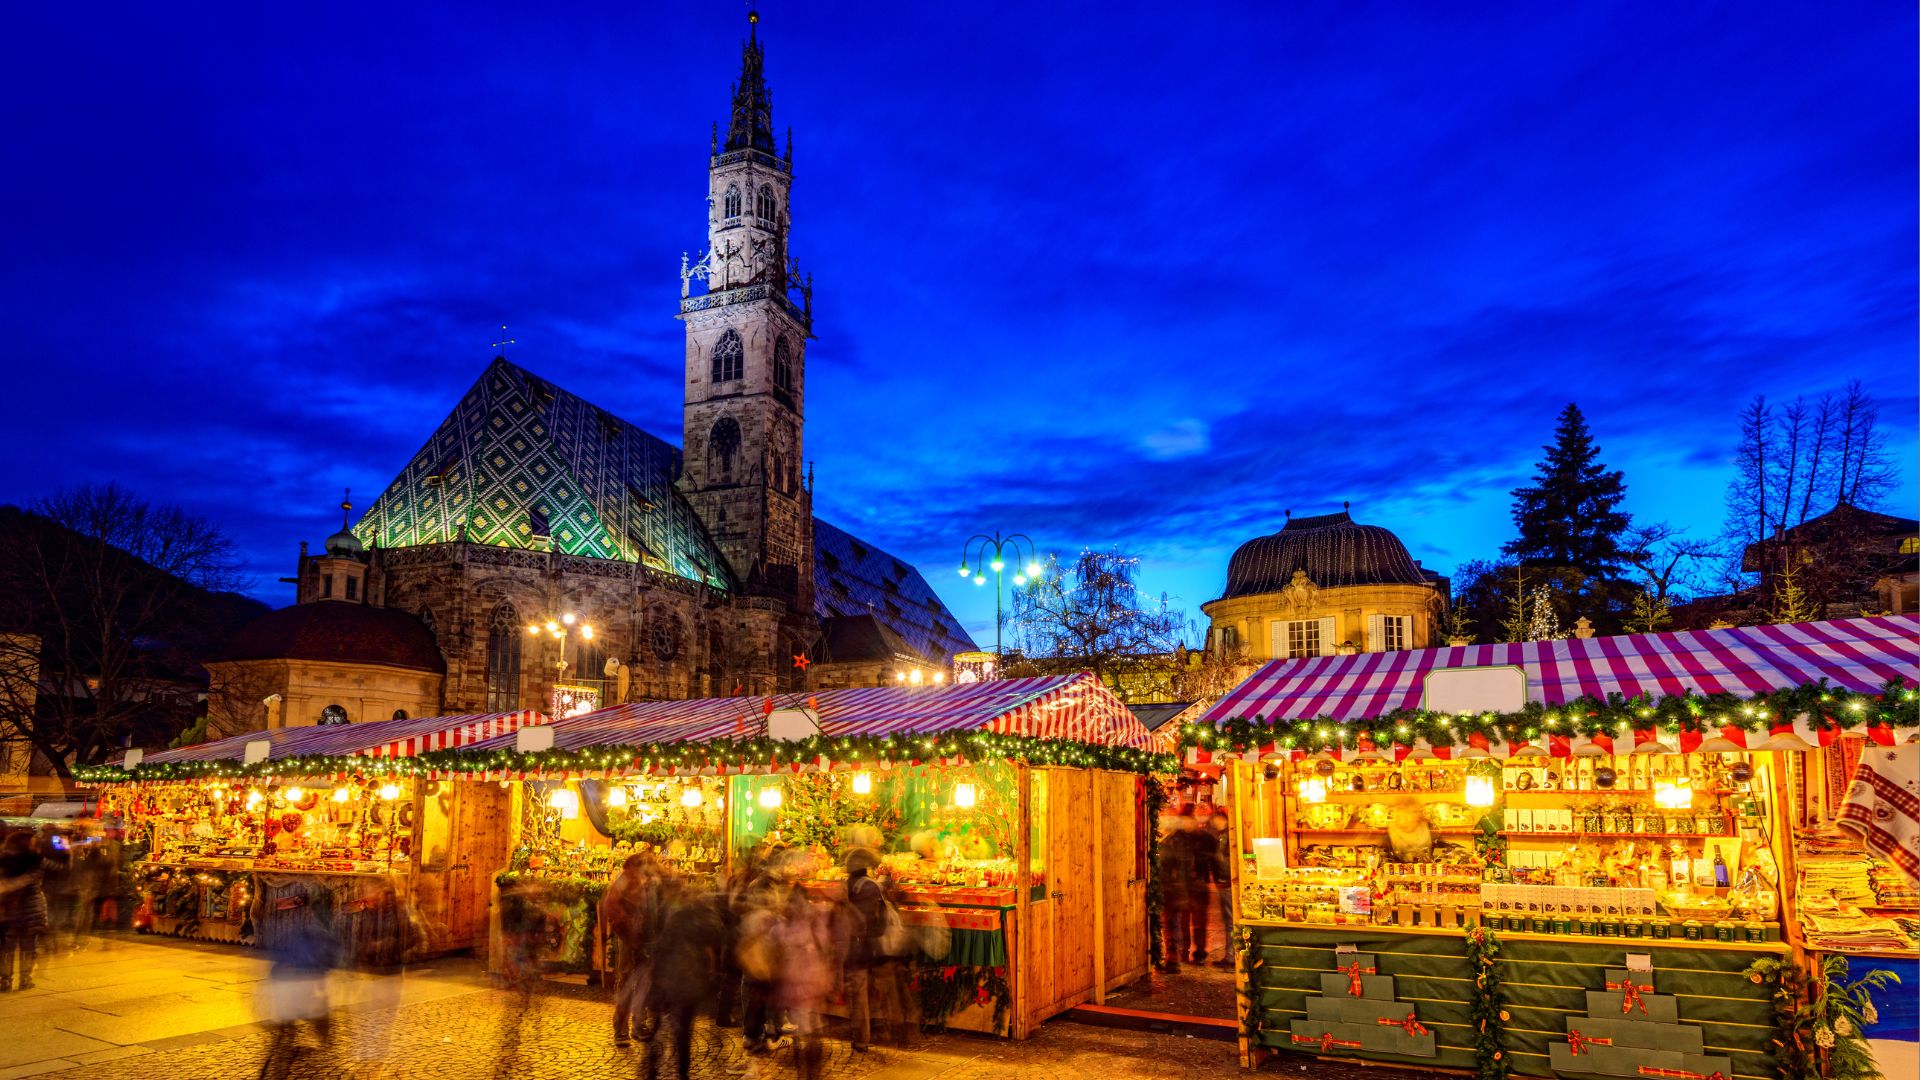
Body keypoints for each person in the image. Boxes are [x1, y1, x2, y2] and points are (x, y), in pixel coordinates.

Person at [643, 887, 723, 1080]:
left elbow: (661, 948)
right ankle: (682, 1072)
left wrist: (656, 975)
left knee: (660, 1025)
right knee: (684, 1031)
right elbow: (715, 945)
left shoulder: (676, 919)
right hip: (689, 983)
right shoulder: (704, 923)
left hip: (669, 979)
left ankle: (652, 1067)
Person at [841, 848, 908, 1051]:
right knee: (886, 989)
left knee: (859, 996)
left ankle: (861, 1039)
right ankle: (895, 1032)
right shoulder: (870, 886)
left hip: (855, 948)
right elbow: (878, 915)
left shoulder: (846, 887)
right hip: (875, 947)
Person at [601, 851, 665, 1047]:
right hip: (628, 937)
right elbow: (610, 904)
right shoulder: (626, 879)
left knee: (645, 982)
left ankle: (639, 1025)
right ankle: (621, 1029)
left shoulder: (653, 882)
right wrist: (626, 926)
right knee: (627, 982)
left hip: (648, 938)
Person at [0, 830, 48, 991]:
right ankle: (25, 980)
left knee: (7, 946)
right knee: (28, 946)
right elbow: (34, 878)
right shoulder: (36, 860)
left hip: (10, 910)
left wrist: (6, 887)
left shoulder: (4, 860)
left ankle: (5, 980)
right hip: (30, 909)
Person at [1155, 814, 1197, 973]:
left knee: (1171, 924)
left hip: (1172, 890)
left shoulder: (1171, 843)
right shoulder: (1177, 842)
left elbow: (1168, 867)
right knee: (1173, 924)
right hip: (1176, 889)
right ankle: (1173, 958)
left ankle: (1173, 960)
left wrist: (1168, 882)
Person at [1186, 812, 1218, 964]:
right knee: (1194, 920)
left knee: (1196, 920)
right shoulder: (1205, 838)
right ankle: (1195, 952)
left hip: (1197, 883)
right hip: (1192, 883)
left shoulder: (1204, 838)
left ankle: (1197, 952)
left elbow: (1214, 860)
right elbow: (1214, 860)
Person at [1207, 811, 1234, 968]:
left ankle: (1231, 956)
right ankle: (1230, 955)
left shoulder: (1227, 837)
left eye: (1218, 820)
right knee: (1228, 920)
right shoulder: (1222, 836)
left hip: (1227, 882)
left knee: (1230, 920)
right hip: (1224, 882)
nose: (1215, 823)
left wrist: (1222, 878)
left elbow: (1222, 861)